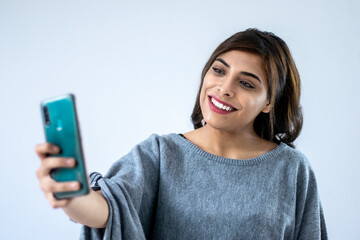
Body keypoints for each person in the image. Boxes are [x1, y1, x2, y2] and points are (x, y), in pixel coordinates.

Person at [35, 28, 328, 239]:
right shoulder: (160, 154)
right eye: (218, 70)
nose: (224, 88)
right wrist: (70, 194)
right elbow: (108, 211)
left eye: (247, 83)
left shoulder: (292, 169)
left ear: (268, 103)